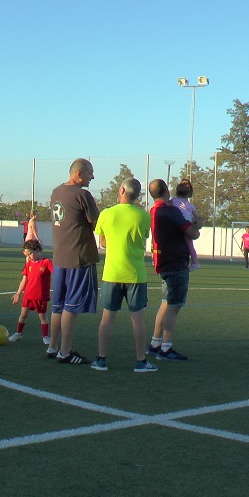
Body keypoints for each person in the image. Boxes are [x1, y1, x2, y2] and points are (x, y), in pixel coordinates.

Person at [90, 178, 156, 373]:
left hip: (112, 273)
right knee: (138, 319)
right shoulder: (144, 216)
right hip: (135, 275)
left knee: (107, 318)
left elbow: (103, 242)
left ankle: (101, 359)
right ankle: (141, 361)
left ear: (121, 190)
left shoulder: (106, 214)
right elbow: (143, 239)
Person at [48, 158, 100, 364]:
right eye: (90, 173)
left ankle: (53, 347)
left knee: (58, 306)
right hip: (78, 258)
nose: (92, 177)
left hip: (59, 258)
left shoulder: (56, 192)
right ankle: (66, 352)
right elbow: (96, 222)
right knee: (71, 306)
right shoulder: (83, 195)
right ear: (79, 174)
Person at [147, 178, 200, 362]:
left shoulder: (153, 210)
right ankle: (166, 348)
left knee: (165, 303)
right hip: (175, 262)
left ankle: (155, 343)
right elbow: (193, 233)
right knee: (174, 306)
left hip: (162, 262)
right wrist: (196, 224)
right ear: (166, 192)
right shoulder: (171, 212)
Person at [9, 239, 53, 346]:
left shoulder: (47, 262)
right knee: (23, 315)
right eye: (26, 255)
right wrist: (18, 293)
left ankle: (46, 336)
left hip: (41, 296)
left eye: (29, 254)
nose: (28, 257)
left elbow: (56, 273)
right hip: (28, 295)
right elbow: (24, 280)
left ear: (37, 250)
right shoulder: (29, 264)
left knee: (43, 317)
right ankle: (19, 333)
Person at [171, 179, 200, 271]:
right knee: (190, 244)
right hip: (188, 224)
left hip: (180, 223)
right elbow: (197, 216)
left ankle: (194, 263)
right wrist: (195, 222)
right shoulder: (189, 205)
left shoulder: (173, 201)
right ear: (189, 194)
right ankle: (195, 262)